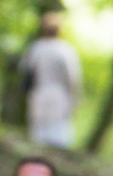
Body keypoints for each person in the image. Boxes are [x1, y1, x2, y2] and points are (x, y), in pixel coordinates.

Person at [18, 12, 83, 148]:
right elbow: (73, 78)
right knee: (58, 133)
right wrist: (76, 98)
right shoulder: (66, 50)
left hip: (39, 93)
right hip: (59, 95)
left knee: (39, 134)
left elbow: (24, 70)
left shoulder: (35, 48)